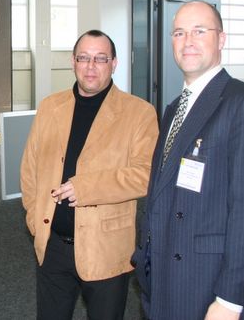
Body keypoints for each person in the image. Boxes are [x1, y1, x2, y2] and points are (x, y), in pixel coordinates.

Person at [132, 1, 244, 320]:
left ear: (221, 39)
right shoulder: (174, 108)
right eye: (179, 33)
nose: (188, 41)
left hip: (210, 284)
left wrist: (230, 300)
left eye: (199, 31)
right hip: (163, 275)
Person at [20, 29, 159, 319]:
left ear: (114, 63)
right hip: (52, 245)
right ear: (73, 61)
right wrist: (35, 218)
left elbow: (146, 174)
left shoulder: (139, 113)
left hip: (105, 249)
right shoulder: (50, 107)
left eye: (100, 58)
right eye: (83, 58)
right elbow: (30, 169)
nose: (91, 66)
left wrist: (86, 188)